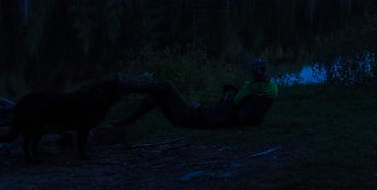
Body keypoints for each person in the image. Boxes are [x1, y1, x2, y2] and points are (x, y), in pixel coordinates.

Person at [114, 59, 278, 130]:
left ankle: (128, 87)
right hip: (197, 115)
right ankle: (128, 121)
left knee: (167, 86)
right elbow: (235, 104)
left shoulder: (244, 96)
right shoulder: (271, 89)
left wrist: (199, 108)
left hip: (191, 118)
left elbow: (227, 109)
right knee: (156, 96)